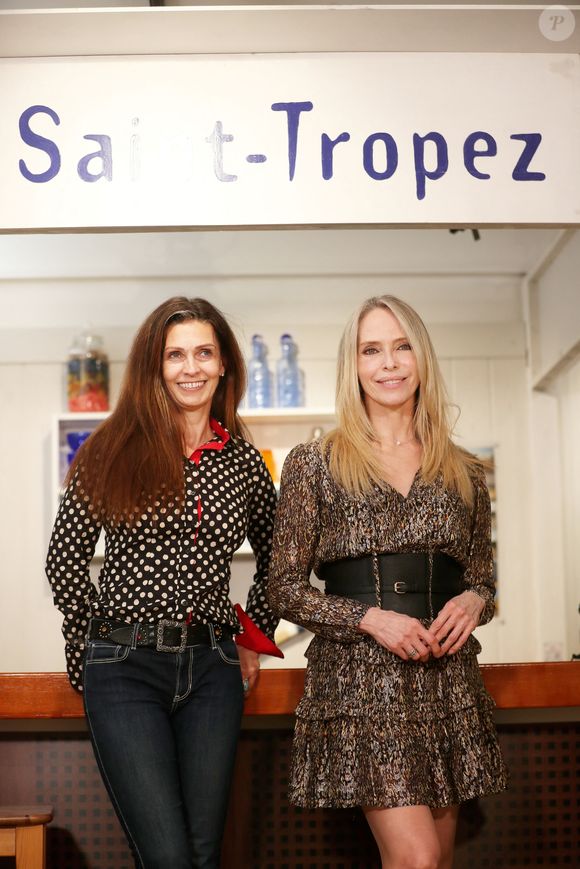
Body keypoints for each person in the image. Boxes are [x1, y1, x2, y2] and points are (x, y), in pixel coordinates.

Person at [268, 294, 508, 869]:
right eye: (371, 350)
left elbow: (483, 578)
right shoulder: (315, 463)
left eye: (403, 347)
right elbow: (282, 587)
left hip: (446, 679)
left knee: (437, 862)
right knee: (419, 858)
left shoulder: (466, 469)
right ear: (353, 366)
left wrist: (476, 599)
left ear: (422, 358)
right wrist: (369, 618)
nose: (390, 363)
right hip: (359, 682)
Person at [46, 296, 278, 869]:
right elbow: (65, 557)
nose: (190, 367)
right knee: (169, 858)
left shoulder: (245, 463)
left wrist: (253, 635)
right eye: (175, 355)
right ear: (155, 366)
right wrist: (87, 646)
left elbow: (282, 557)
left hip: (212, 674)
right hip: (124, 669)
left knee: (203, 854)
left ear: (224, 363)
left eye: (204, 353)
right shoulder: (111, 448)